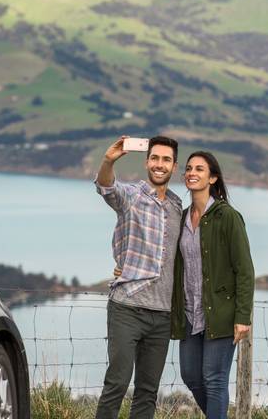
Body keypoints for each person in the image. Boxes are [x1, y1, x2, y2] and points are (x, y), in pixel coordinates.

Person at [94, 135, 183, 419]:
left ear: (174, 166)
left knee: (147, 392)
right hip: (127, 308)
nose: (160, 165)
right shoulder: (131, 196)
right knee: (116, 384)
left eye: (166, 160)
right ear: (147, 162)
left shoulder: (177, 206)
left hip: (162, 314)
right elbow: (106, 187)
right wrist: (109, 160)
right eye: (155, 158)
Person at [171, 151, 254, 419]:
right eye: (188, 168)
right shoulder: (181, 217)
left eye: (200, 169)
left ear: (213, 177)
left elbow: (244, 270)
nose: (192, 173)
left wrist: (242, 317)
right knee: (191, 376)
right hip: (189, 313)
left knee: (215, 379)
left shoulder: (227, 216)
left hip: (220, 314)